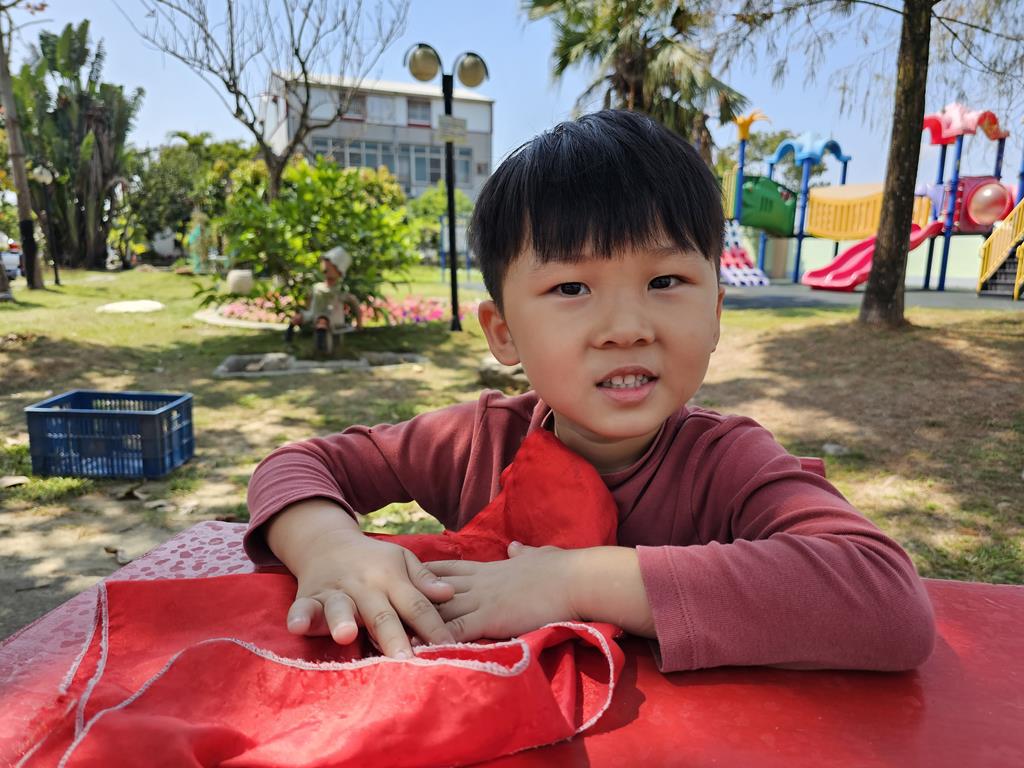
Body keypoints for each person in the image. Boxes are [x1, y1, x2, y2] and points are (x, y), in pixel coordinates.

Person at [246, 110, 935, 672]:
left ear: (716, 313)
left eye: (665, 281)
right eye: (572, 287)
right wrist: (331, 548)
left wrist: (575, 582)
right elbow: (297, 464)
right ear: (504, 332)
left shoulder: (728, 463)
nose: (626, 328)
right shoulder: (480, 441)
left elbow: (885, 600)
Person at [284, 245, 363, 353]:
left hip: (330, 317)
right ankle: (288, 339)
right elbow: (310, 299)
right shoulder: (317, 287)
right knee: (296, 318)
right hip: (313, 313)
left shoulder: (339, 291)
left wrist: (359, 323)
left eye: (331, 266)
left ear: (339, 271)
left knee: (322, 323)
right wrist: (307, 310)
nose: (326, 268)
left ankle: (321, 348)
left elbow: (354, 302)